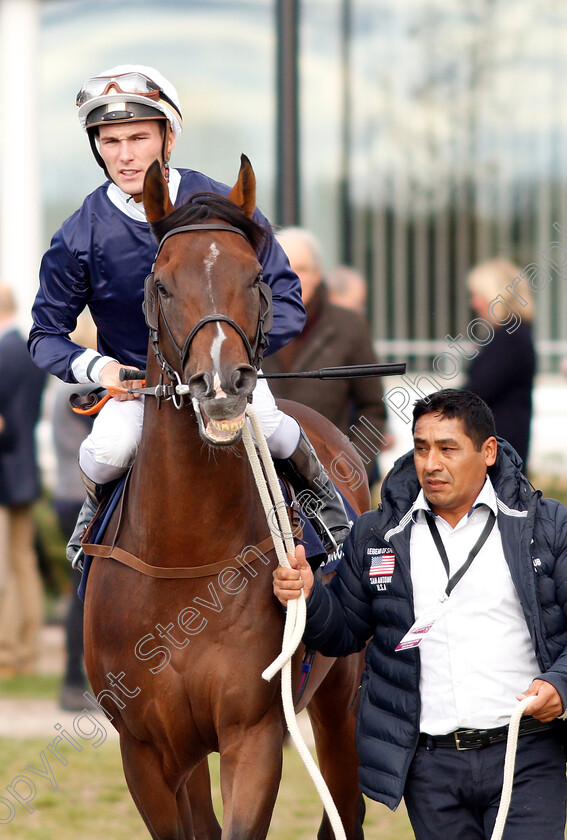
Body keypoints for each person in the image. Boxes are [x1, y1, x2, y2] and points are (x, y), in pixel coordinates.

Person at [28, 65, 350, 564]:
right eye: (110, 141)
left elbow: (286, 299)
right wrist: (101, 369)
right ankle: (91, 520)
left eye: (139, 137)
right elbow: (45, 334)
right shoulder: (79, 233)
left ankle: (330, 511)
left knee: (266, 419)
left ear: (169, 137)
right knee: (109, 448)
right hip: (141, 388)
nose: (125, 154)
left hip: (227, 373)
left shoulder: (227, 205)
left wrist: (233, 354)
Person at [274, 388, 567, 840]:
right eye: (422, 447)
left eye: (448, 449)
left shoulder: (545, 526)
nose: (431, 463)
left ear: (488, 452)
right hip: (430, 768)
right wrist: (309, 598)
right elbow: (345, 633)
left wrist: (559, 685)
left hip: (526, 756)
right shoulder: (377, 533)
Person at [262, 228, 388, 484]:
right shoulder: (245, 327)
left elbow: (372, 409)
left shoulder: (349, 327)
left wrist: (350, 469)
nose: (292, 277)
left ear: (318, 275)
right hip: (258, 484)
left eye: (301, 268)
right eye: (281, 267)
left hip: (329, 483)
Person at [0, 286, 46, 676]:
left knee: (6, 568)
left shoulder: (1, 353)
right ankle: (29, 646)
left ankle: (10, 653)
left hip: (4, 467)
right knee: (23, 561)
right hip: (25, 465)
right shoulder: (28, 350)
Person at [464, 258, 536, 472]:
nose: (474, 303)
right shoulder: (508, 335)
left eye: (478, 295)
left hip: (500, 454)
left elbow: (477, 391)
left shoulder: (511, 338)